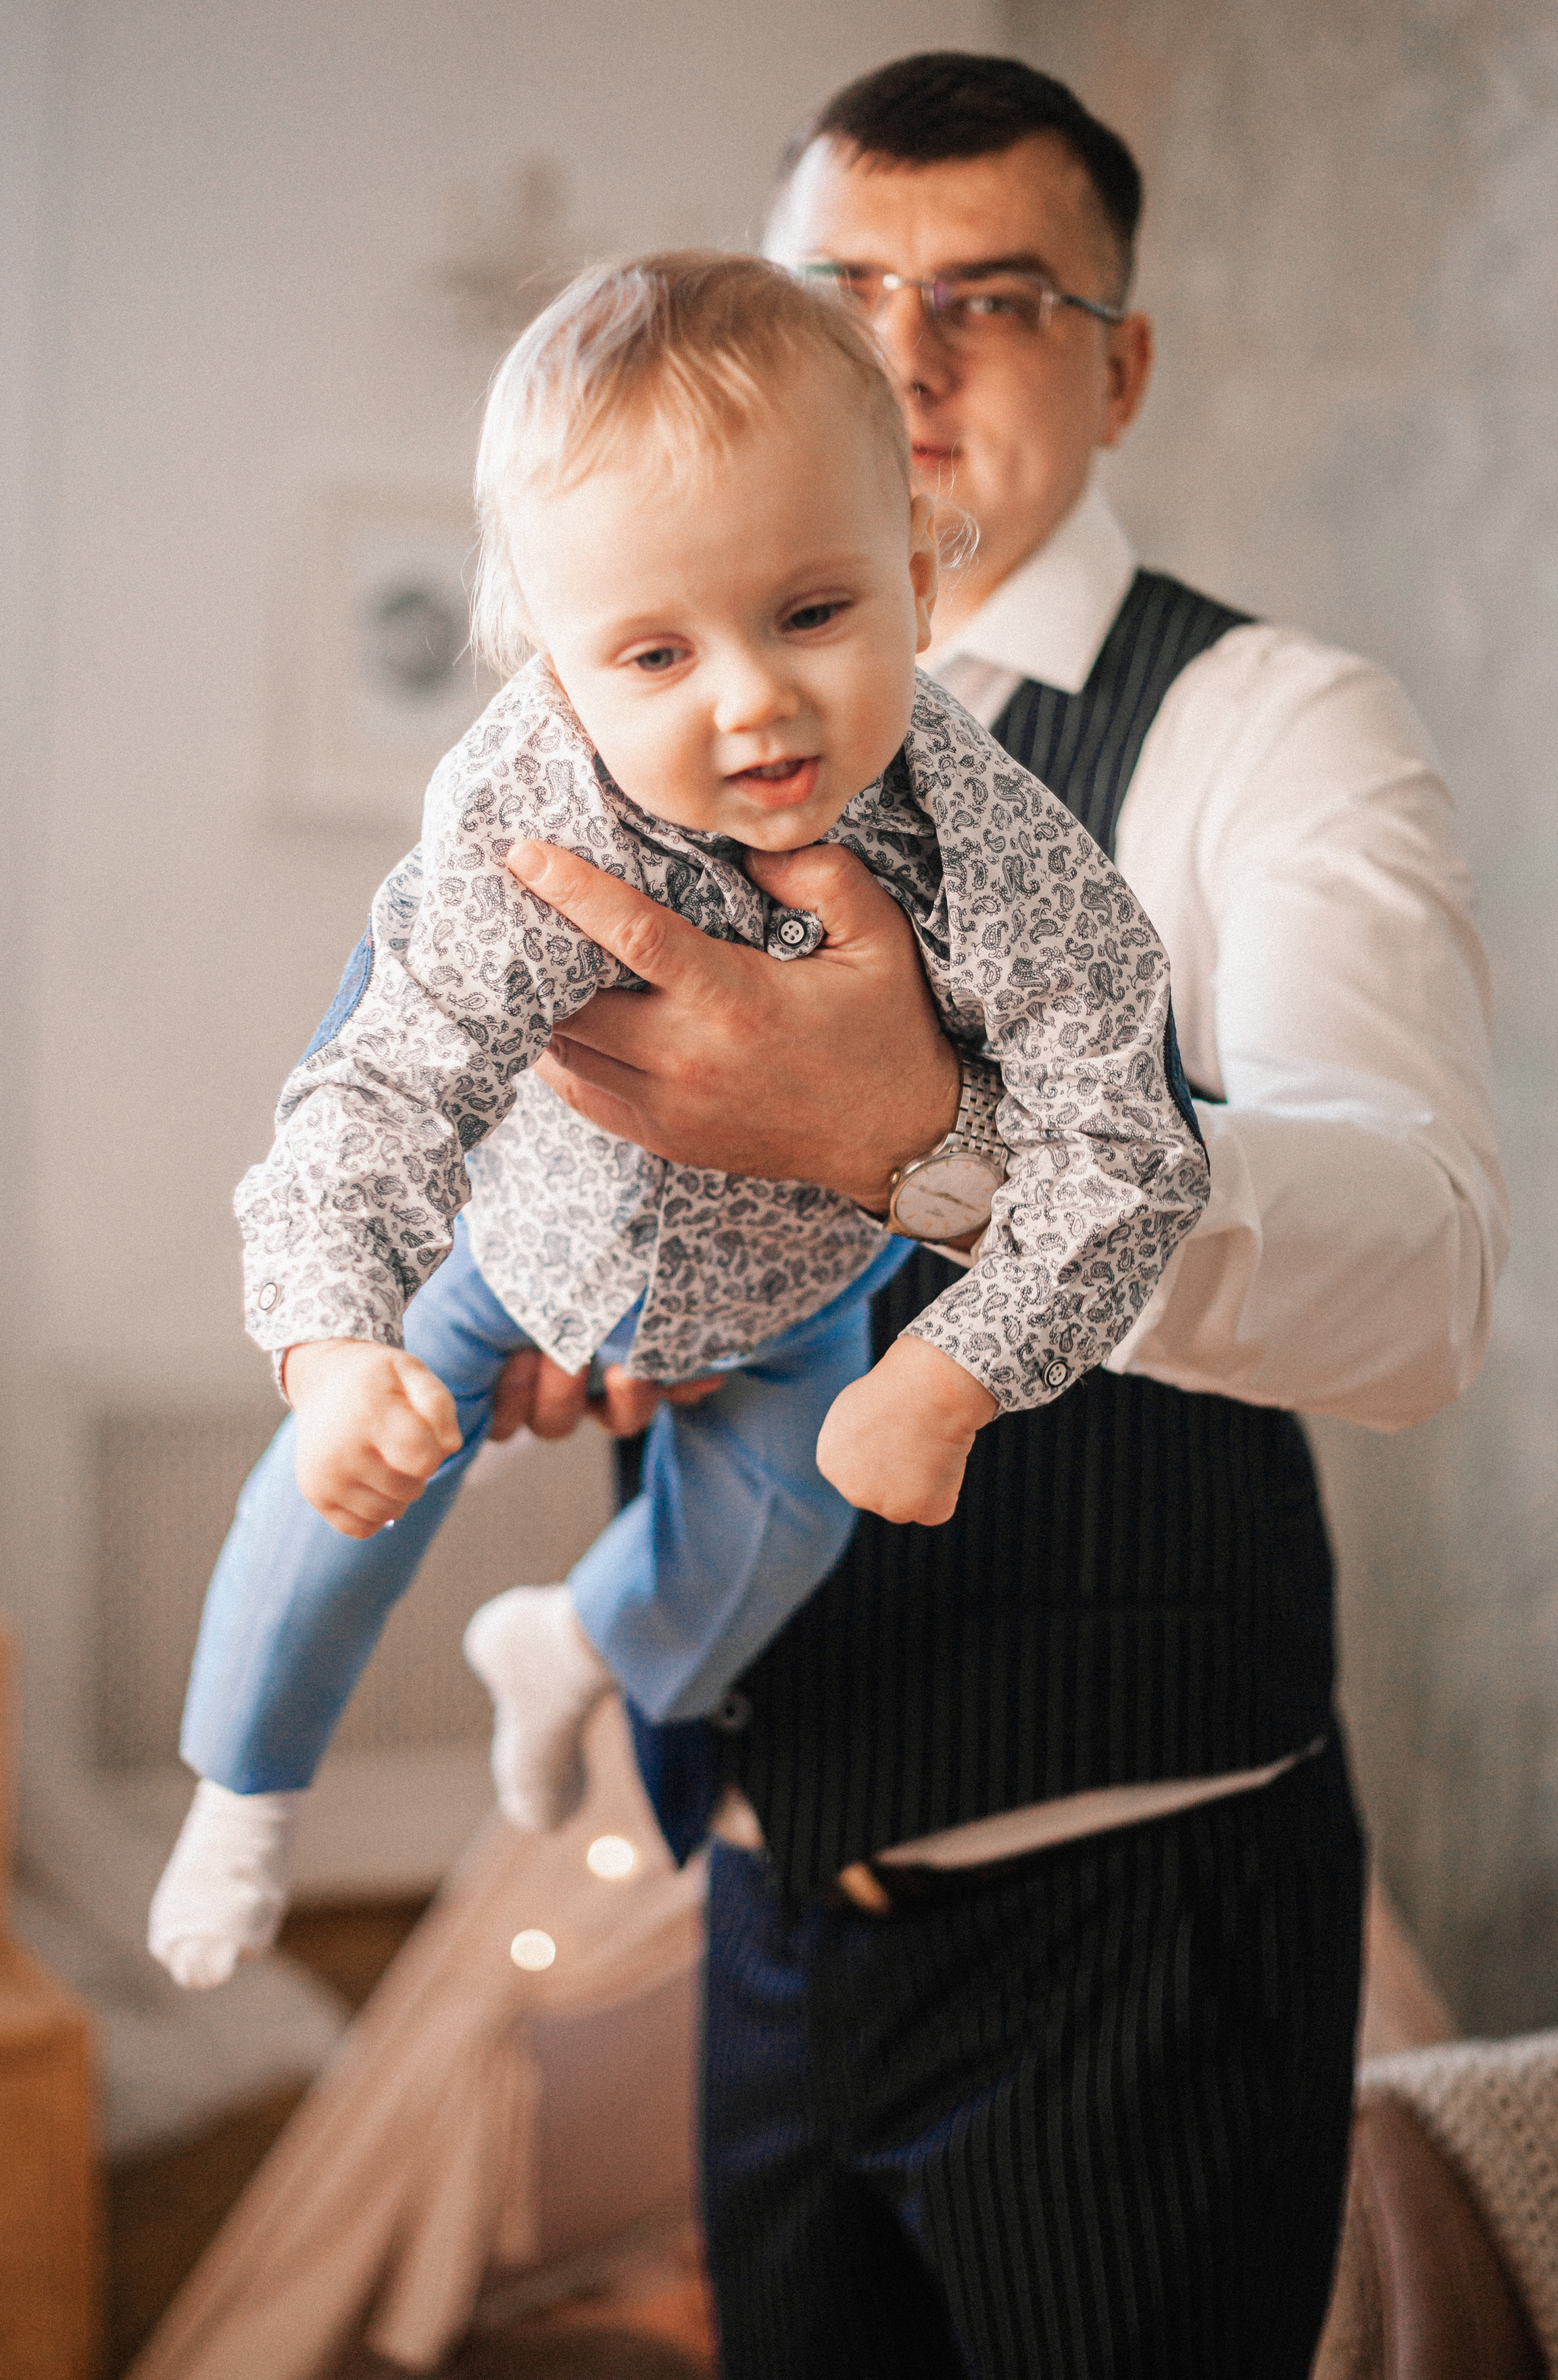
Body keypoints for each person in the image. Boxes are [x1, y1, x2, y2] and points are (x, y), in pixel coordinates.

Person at [479, 56, 1507, 2380]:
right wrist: (581, 1321)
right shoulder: (633, 713)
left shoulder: (1276, 730)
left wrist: (936, 1137)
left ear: (1120, 360)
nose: (908, 356)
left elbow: (1423, 1274)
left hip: (1133, 1927)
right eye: (847, 291)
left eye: (997, 299)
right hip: (754, 1899)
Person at [146, 251, 1207, 1996]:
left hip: (794, 1307)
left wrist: (957, 1373)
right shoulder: (524, 794)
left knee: (777, 1541)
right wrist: (333, 1346)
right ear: (554, 668)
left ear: (920, 578)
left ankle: (571, 1643)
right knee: (334, 1497)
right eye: (656, 650)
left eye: (812, 613)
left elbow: (1132, 1141)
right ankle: (243, 1792)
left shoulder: (991, 839)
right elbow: (383, 1073)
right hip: (516, 1243)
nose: (753, 702)